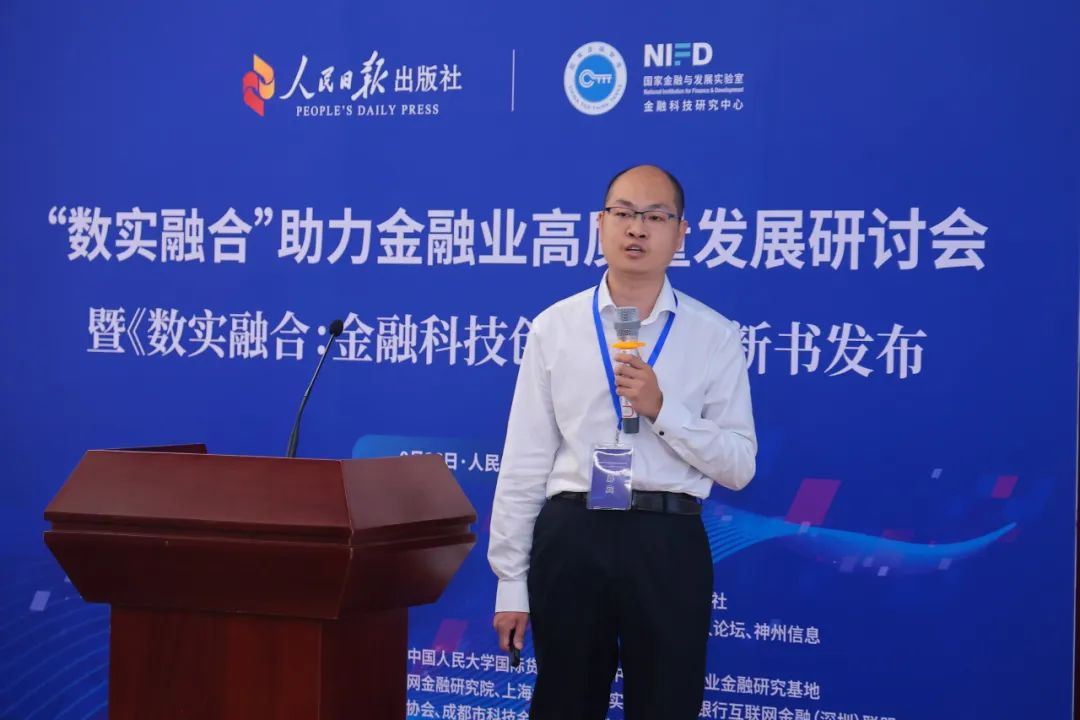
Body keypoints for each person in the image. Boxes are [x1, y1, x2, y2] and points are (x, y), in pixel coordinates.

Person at [487, 164, 757, 719]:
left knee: (666, 704)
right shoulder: (555, 327)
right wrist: (511, 582)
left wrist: (663, 410)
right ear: (600, 224)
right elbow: (525, 460)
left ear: (681, 233)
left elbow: (739, 465)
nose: (637, 229)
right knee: (564, 703)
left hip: (666, 540)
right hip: (573, 534)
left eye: (655, 216)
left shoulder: (714, 336)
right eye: (624, 213)